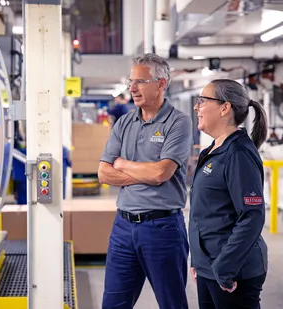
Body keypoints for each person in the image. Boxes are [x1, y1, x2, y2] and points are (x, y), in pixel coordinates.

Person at [98, 53, 192, 309]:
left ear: (161, 84)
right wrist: (144, 173)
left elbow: (161, 173)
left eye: (140, 81)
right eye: (131, 82)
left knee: (172, 303)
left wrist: (124, 164)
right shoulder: (124, 122)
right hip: (123, 227)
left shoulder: (178, 123)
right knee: (113, 303)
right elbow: (104, 173)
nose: (132, 88)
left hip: (162, 228)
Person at [189, 79, 268, 309]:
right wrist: (198, 260)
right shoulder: (212, 151)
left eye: (202, 101)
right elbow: (205, 212)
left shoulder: (238, 154)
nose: (197, 107)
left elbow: (252, 216)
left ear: (225, 108)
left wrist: (225, 268)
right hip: (209, 267)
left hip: (233, 272)